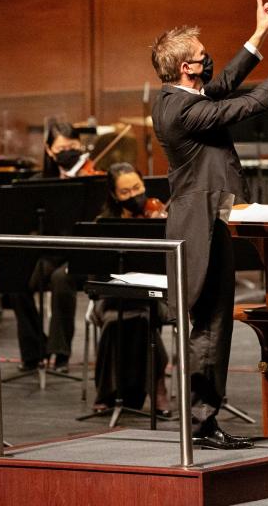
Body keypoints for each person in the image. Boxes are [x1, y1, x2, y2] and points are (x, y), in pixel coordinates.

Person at [151, 0, 268, 449]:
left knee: (212, 322)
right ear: (186, 67)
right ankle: (201, 422)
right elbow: (247, 105)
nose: (208, 59)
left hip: (207, 217)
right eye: (201, 56)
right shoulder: (183, 109)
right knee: (210, 323)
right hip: (198, 224)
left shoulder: (178, 97)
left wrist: (260, 32)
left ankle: (202, 418)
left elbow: (223, 86)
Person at [6, 121, 92, 373]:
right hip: (48, 253)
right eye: (63, 148)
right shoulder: (38, 183)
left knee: (60, 280)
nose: (69, 152)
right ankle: (34, 351)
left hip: (79, 255)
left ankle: (60, 353)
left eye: (73, 147)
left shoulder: (89, 180)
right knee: (15, 282)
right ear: (49, 150)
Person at [91, 162, 169, 413]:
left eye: (137, 187)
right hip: (115, 296)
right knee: (115, 319)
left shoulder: (157, 214)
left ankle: (155, 387)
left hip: (155, 295)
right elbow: (97, 271)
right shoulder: (105, 223)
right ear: (114, 196)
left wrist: (164, 228)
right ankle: (113, 391)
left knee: (144, 316)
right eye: (125, 192)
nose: (134, 196)